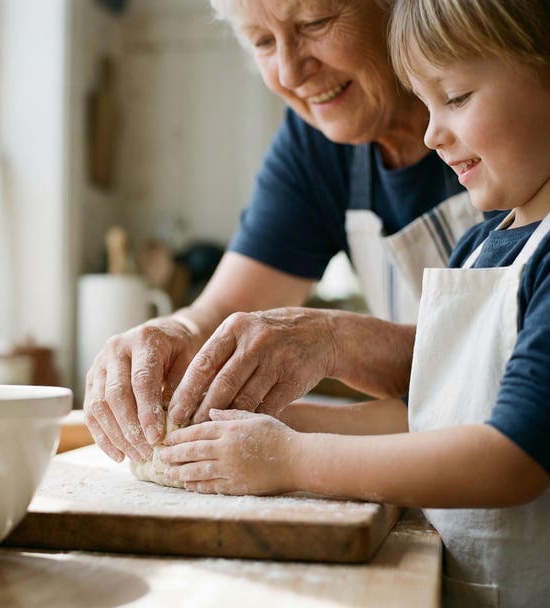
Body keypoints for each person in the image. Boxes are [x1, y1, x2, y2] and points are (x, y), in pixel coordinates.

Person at [157, 0, 550, 608]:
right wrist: (248, 426)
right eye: (259, 40)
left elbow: (509, 456)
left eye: (454, 97)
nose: (433, 135)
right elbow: (429, 413)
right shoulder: (482, 243)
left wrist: (289, 458)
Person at [84, 0, 491, 463]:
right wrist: (165, 333)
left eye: (315, 23)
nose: (291, 72)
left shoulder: (510, 128)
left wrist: (336, 340)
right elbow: (220, 313)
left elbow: (504, 357)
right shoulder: (314, 143)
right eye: (262, 41)